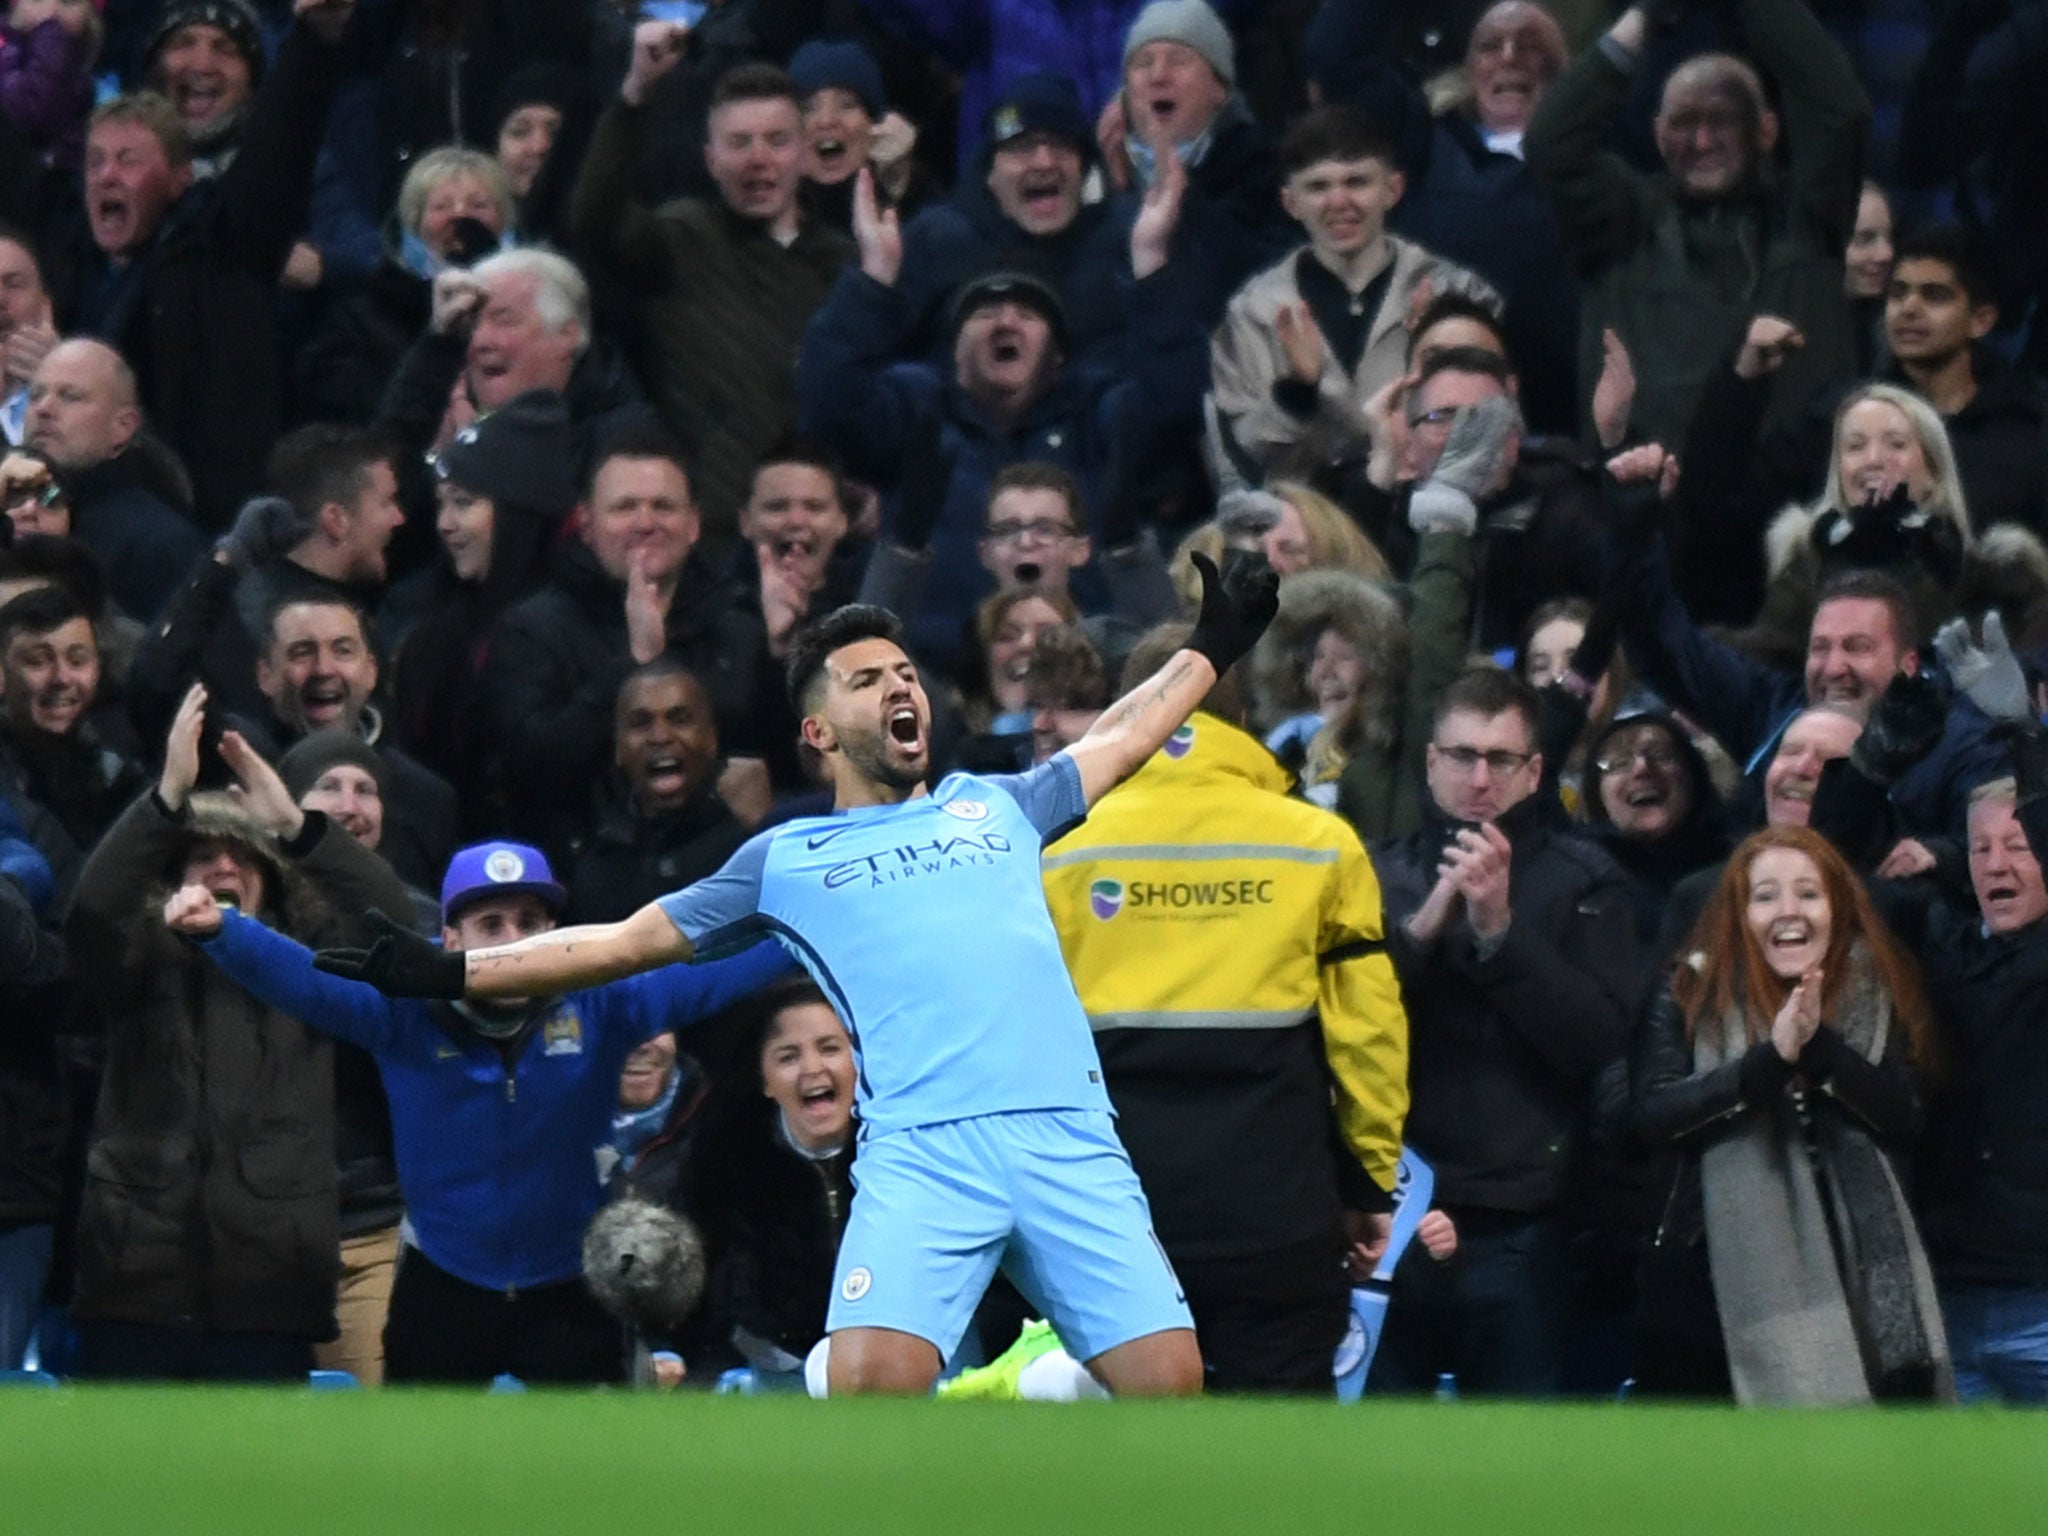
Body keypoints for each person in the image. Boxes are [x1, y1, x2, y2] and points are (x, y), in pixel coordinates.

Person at [311, 552, 1282, 1398]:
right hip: (922, 1152)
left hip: (1063, 1133)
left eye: (904, 673)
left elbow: (1113, 737)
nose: (898, 688)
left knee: (1169, 1385)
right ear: (817, 732)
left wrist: (1209, 647)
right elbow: (621, 941)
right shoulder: (786, 858)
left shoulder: (996, 806)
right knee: (867, 1386)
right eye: (866, 680)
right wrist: (450, 972)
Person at [169, 834, 790, 1385]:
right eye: (490, 925)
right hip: (442, 1285)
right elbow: (303, 978)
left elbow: (719, 972)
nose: (513, 942)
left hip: (574, 1287)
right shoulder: (402, 1015)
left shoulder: (604, 1004)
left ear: (560, 935)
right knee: (427, 1491)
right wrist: (223, 929)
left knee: (589, 1492)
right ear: (450, 940)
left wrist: (812, 924)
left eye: (530, 922)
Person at [1041, 620, 1408, 1394]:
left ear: (1126, 714)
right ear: (1242, 721)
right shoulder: (1319, 845)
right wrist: (1370, 1185)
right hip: (1277, 1221)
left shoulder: (1053, 849)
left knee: (1115, 1480)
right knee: (1279, 1475)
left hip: (1108, 1230)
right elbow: (1369, 1038)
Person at [65, 683, 411, 1380]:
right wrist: (164, 799)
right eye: (203, 855)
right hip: (136, 1289)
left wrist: (295, 824)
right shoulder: (135, 962)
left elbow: (395, 930)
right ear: (172, 877)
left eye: (244, 856)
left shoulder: (312, 969)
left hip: (268, 1297)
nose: (225, 865)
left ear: (271, 881)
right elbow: (91, 916)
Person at [1367, 665, 1635, 1394]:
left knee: (1518, 1463)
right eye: (1461, 756)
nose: (1479, 778)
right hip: (1388, 1218)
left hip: (1523, 1224)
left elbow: (1603, 1046)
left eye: (1501, 760)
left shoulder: (1588, 880)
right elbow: (1343, 1029)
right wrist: (1422, 932)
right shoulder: (1374, 874)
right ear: (1431, 762)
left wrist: (1500, 933)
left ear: (1535, 771)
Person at [0, 0, 361, 526]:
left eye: (129, 160)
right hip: (63, 514)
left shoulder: (223, 248)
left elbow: (280, 150)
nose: (107, 176)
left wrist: (316, 37)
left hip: (193, 526)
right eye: (96, 161)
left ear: (179, 178)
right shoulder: (66, 237)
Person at [1631, 825, 1947, 1403]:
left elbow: (1906, 1115)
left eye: (1808, 892)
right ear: (1738, 912)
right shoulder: (1688, 988)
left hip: (1865, 1283)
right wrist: (1770, 1061)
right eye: (1766, 895)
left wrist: (1819, 1049)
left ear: (1838, 907)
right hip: (1709, 1294)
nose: (1789, 911)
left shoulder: (1882, 985)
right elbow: (1655, 1112)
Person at [1526, 0, 1867, 448]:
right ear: (1658, 134)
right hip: (1646, 498)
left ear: (1765, 131)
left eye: (1722, 120)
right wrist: (1645, 17)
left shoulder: (1805, 216)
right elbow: (1552, 143)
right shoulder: (1622, 219)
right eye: (1684, 123)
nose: (1701, 141)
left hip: (1789, 502)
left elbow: (1840, 113)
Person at [570, 47, 855, 535]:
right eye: (739, 142)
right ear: (710, 159)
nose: (758, 159)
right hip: (708, 534)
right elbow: (595, 217)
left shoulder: (845, 262)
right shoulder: (681, 237)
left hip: (816, 530)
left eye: (777, 140)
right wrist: (635, 95)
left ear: (806, 151)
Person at [478, 429, 774, 858]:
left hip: (722, 868)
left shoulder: (738, 626)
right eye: (625, 507)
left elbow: (781, 762)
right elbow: (530, 768)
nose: (646, 523)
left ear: (693, 525)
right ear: (586, 524)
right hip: (585, 884)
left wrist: (786, 652)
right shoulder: (531, 630)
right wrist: (634, 662)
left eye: (663, 506)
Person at [1208, 105, 1495, 490]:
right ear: (1290, 203)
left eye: (1357, 182)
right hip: (1308, 531)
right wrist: (1296, 392)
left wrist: (1438, 348)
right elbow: (1245, 455)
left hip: (1427, 510)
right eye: (1318, 187)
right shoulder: (1252, 314)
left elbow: (1492, 424)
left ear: (1393, 190)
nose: (1339, 201)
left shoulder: (1459, 295)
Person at [124, 422, 400, 743]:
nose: (399, 517)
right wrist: (226, 561)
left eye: (342, 650)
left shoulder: (366, 606)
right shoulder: (245, 618)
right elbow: (155, 689)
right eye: (387, 502)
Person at [390, 389, 576, 815]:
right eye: (442, 504)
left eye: (464, 503)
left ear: (518, 514)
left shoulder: (573, 629)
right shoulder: (431, 633)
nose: (445, 525)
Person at [669, 979, 857, 1383]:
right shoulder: (727, 1161)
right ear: (766, 1081)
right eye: (788, 1057)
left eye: (829, 1048)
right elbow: (706, 1297)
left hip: (898, 1360)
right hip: (775, 1369)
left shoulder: (904, 1155)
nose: (812, 1068)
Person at [297, 146, 515, 427]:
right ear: (414, 222)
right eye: (442, 206)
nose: (460, 216)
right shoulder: (359, 322)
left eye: (478, 205)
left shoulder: (536, 297)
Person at [23, 338, 202, 621]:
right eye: (34, 395)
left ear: (122, 426)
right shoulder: (11, 516)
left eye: (70, 396)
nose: (43, 408)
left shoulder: (161, 546)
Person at [567, 659, 750, 926]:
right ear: (618, 748)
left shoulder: (751, 841)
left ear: (712, 738)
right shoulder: (596, 870)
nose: (661, 736)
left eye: (680, 719)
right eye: (641, 723)